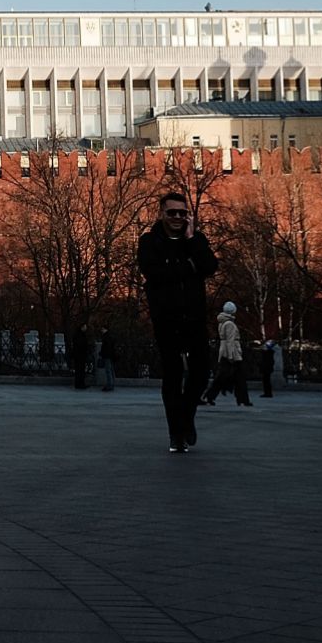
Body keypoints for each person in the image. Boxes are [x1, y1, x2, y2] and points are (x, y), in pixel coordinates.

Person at [137, 192, 218, 453]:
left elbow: (209, 266)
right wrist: (189, 267)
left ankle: (187, 418)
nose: (177, 217)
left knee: (201, 373)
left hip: (194, 317)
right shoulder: (150, 241)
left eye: (182, 213)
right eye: (172, 212)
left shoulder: (195, 240)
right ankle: (176, 434)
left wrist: (192, 239)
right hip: (166, 318)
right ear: (161, 213)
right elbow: (153, 273)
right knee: (172, 376)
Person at [204, 301, 251, 407]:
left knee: (225, 377)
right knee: (236, 378)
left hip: (225, 351)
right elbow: (230, 340)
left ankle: (211, 396)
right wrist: (230, 356)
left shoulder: (222, 322)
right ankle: (242, 399)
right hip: (232, 353)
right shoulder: (229, 324)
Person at [94, 326, 116, 392]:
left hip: (107, 356)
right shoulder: (110, 336)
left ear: (105, 329)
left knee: (108, 371)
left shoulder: (106, 337)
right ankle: (111, 384)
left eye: (102, 329)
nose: (101, 330)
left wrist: (102, 353)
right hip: (110, 355)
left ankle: (110, 385)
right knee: (111, 370)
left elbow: (106, 347)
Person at [70, 323, 91, 390]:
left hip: (79, 355)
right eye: (85, 327)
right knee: (80, 370)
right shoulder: (80, 335)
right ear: (82, 327)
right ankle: (80, 384)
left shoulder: (77, 335)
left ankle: (79, 383)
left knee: (79, 370)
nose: (86, 328)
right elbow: (81, 345)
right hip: (80, 355)